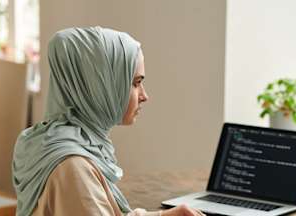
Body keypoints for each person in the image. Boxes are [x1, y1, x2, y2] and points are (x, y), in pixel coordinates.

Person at [12, 27, 205, 216]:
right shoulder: (73, 166)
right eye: (136, 83)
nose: (144, 95)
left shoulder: (51, 141)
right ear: (101, 85)